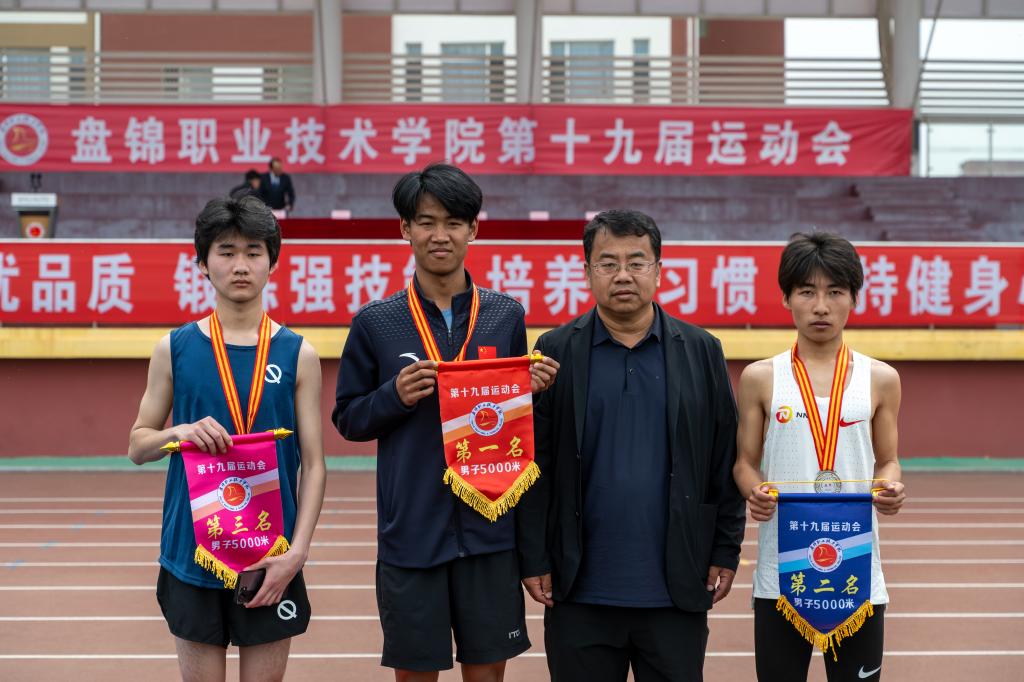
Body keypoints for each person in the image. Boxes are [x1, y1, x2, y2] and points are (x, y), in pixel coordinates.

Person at [333, 163, 558, 682]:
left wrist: (532, 390)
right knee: (416, 675)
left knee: (487, 674)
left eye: (454, 222)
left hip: (490, 533)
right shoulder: (377, 321)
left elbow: (514, 423)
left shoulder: (505, 315)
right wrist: (394, 396)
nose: (441, 235)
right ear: (405, 229)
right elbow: (348, 418)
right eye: (426, 222)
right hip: (411, 536)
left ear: (473, 229)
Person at [517, 209, 746, 682]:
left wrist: (726, 550)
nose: (623, 275)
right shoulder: (555, 350)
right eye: (608, 263)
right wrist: (534, 556)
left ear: (659, 271)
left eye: (637, 262)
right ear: (587, 272)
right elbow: (536, 464)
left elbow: (724, 458)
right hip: (578, 590)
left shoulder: (701, 350)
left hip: (676, 589)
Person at [127, 194, 326, 681]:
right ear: (202, 263)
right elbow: (137, 446)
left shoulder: (298, 354)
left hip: (269, 553)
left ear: (272, 263)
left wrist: (297, 553)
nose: (240, 265)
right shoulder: (174, 348)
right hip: (192, 550)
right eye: (227, 251)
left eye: (254, 252)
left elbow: (315, 463)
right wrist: (179, 432)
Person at [732, 232, 906, 682]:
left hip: (856, 568)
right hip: (782, 569)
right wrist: (754, 490)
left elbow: (888, 460)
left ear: (854, 298)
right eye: (807, 292)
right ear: (786, 298)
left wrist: (888, 484)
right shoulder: (761, 377)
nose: (821, 306)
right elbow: (744, 462)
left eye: (835, 292)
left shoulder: (881, 378)